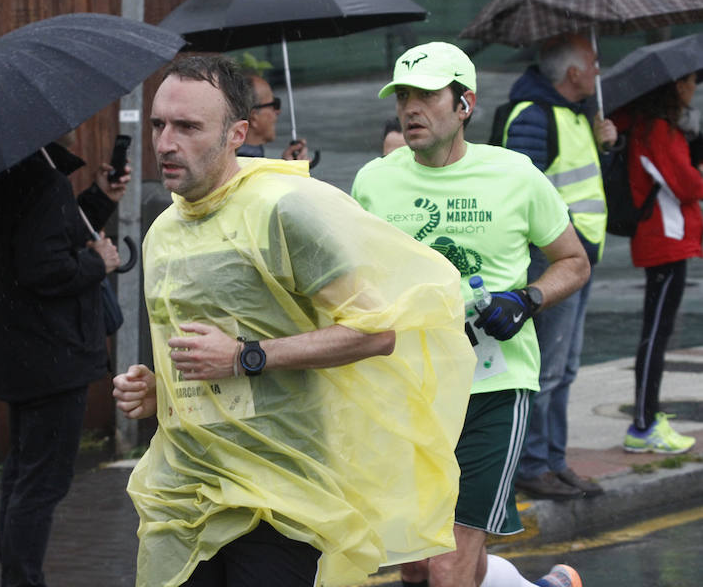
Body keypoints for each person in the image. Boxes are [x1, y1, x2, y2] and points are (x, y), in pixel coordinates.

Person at [112, 55, 475, 587]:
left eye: (188, 127)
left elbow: (376, 330)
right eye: (159, 125)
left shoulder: (285, 210)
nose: (166, 142)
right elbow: (200, 352)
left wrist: (246, 356)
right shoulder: (163, 229)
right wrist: (159, 388)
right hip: (186, 487)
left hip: (280, 489)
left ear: (237, 134)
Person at [351, 42, 590, 587]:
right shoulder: (373, 182)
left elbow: (572, 263)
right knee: (414, 562)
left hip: (493, 386)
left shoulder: (516, 176)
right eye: (403, 95)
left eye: (428, 95)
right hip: (406, 389)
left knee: (447, 557)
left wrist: (526, 299)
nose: (411, 107)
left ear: (465, 104)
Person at [0, 129, 129, 587]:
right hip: (53, 355)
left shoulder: (4, 177)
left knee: (23, 476)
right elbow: (46, 266)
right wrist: (99, 262)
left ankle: (15, 579)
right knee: (42, 484)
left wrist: (100, 196)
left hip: (21, 353)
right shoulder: (44, 180)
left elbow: (51, 231)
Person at [501, 33, 616, 500]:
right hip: (552, 262)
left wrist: (605, 147)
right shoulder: (533, 115)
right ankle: (533, 464)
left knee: (564, 369)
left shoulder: (574, 115)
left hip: (577, 260)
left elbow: (580, 182)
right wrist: (567, 243)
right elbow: (523, 193)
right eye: (592, 62)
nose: (597, 71)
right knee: (545, 369)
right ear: (571, 73)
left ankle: (555, 459)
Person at [612, 72, 703, 454]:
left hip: (668, 241)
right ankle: (644, 424)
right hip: (664, 241)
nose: (693, 87)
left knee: (657, 332)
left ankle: (647, 419)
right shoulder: (658, 130)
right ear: (674, 86)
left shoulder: (657, 127)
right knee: (655, 334)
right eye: (689, 81)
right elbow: (685, 185)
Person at [237, 72, 311, 161]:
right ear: (254, 118)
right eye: (274, 104)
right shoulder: (248, 167)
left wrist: (288, 166)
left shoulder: (235, 162)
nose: (278, 111)